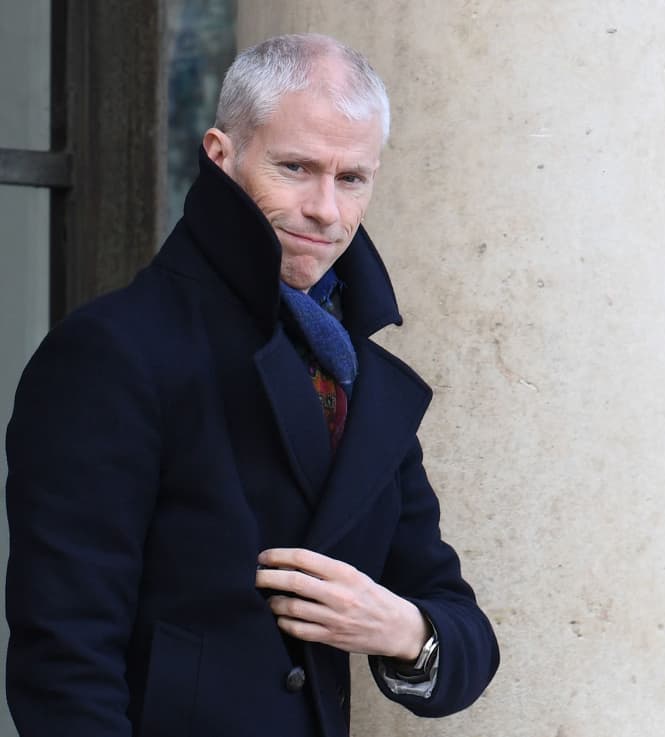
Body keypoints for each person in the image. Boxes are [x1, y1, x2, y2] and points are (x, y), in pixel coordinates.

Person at [4, 33, 499, 737]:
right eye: (296, 167)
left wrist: (402, 628)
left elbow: (464, 633)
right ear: (221, 154)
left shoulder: (366, 377)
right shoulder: (111, 353)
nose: (325, 210)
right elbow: (65, 663)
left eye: (351, 177)